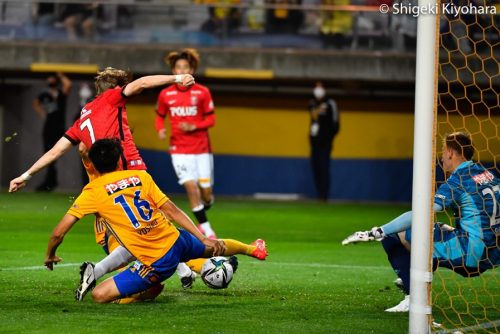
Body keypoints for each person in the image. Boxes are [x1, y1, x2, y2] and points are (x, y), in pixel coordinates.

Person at [10, 67, 197, 291]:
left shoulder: (82, 117)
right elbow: (142, 84)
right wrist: (177, 78)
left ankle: (180, 268)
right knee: (159, 215)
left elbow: (54, 152)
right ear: (116, 88)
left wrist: (25, 175)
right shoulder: (112, 98)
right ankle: (195, 260)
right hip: (130, 170)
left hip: (106, 181)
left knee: (137, 226)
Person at [44, 138, 268, 304]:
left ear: (92, 164)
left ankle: (145, 288)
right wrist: (202, 237)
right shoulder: (140, 176)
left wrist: (50, 254)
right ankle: (252, 249)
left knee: (99, 295)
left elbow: (58, 233)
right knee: (213, 246)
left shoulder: (92, 191)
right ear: (119, 159)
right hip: (177, 239)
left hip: (157, 261)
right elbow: (172, 210)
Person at [342, 132, 500, 312]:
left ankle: (414, 296)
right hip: (492, 255)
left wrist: (375, 232)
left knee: (394, 234)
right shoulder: (488, 174)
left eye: (442, 151)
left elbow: (421, 214)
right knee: (433, 233)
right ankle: (413, 280)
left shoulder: (458, 180)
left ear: (450, 152)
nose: (441, 157)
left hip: (470, 254)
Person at [155, 48, 217, 239]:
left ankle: (204, 207)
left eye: (185, 67)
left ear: (191, 70)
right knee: (191, 187)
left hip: (201, 149)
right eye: (178, 68)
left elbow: (211, 120)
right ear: (173, 71)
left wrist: (194, 126)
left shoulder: (202, 92)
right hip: (179, 149)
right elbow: (159, 116)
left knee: (206, 194)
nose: (182, 71)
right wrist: (160, 129)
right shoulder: (166, 94)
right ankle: (206, 228)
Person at [32, 72, 72, 192]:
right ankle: (50, 181)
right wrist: (41, 113)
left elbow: (68, 84)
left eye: (52, 78)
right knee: (47, 154)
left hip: (59, 128)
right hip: (48, 128)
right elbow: (35, 103)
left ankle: (51, 181)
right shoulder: (44, 94)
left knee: (55, 153)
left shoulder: (61, 93)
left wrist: (60, 75)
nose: (50, 81)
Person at [308, 81, 340, 201]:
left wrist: (328, 138)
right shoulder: (312, 103)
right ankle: (319, 194)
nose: (318, 90)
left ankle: (324, 195)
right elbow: (313, 120)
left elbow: (336, 124)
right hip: (314, 143)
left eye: (320, 87)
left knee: (324, 168)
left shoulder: (331, 103)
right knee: (316, 168)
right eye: (316, 87)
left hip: (325, 143)